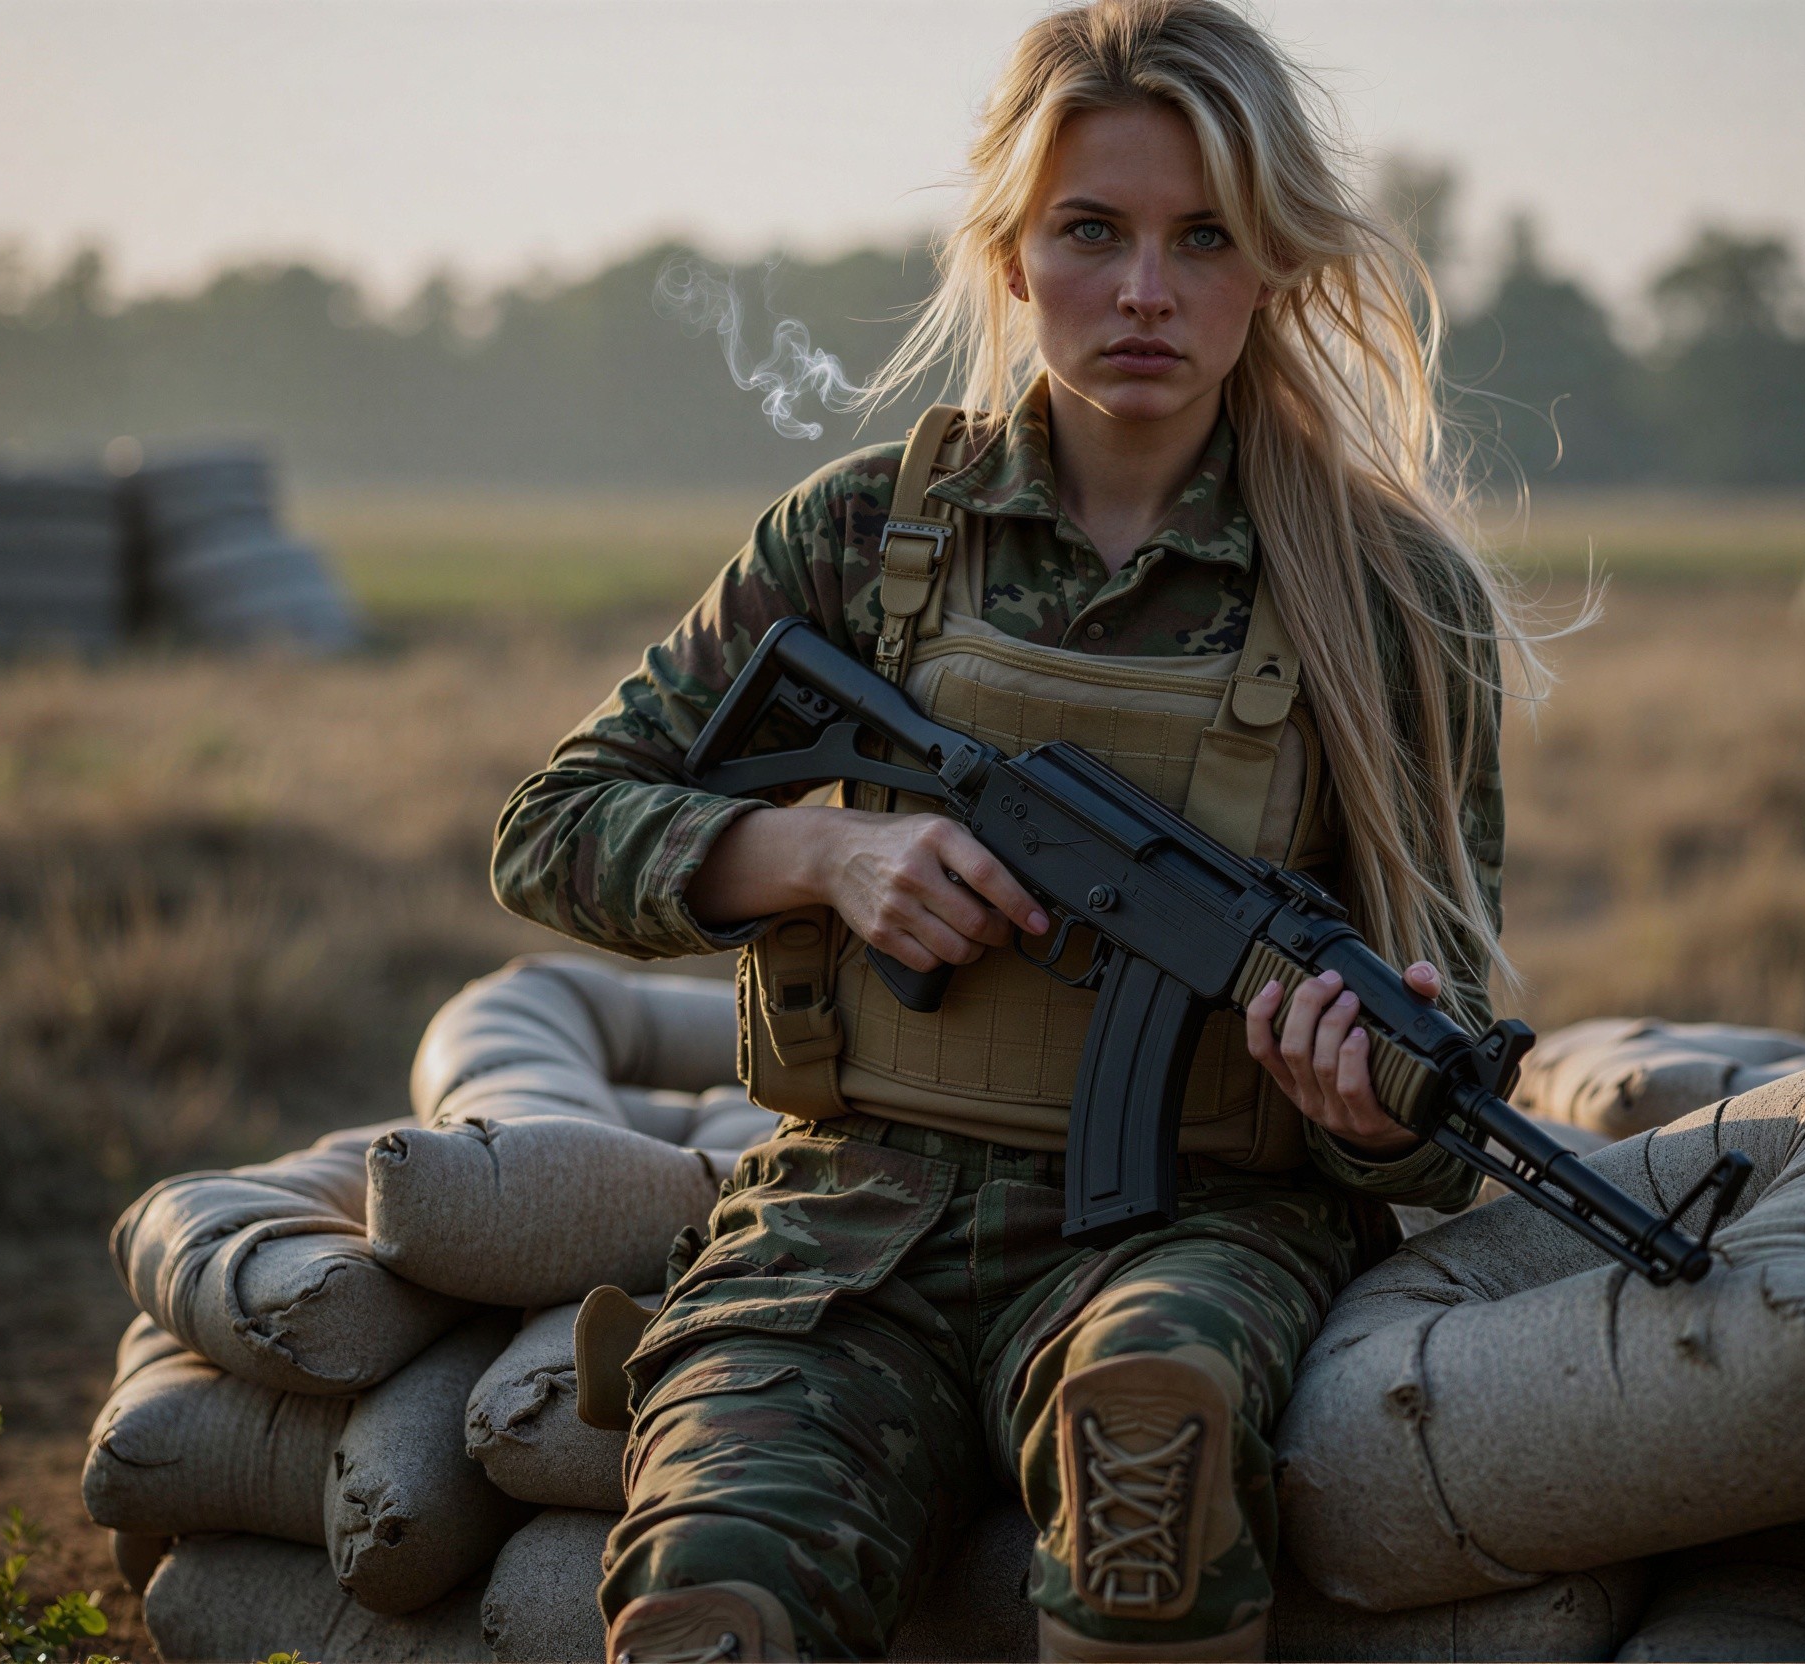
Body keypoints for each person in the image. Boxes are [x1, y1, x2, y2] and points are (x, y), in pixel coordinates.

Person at [492, 2, 1542, 1656]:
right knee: (715, 1597)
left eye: (1205, 237)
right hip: (849, 1223)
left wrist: (1362, 1108)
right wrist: (827, 857)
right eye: (1092, 231)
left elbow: (1445, 1067)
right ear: (1009, 255)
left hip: (1199, 1229)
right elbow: (554, 826)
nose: (1146, 290)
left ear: (1274, 264)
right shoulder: (863, 535)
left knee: (1155, 1463)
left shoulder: (1389, 597)